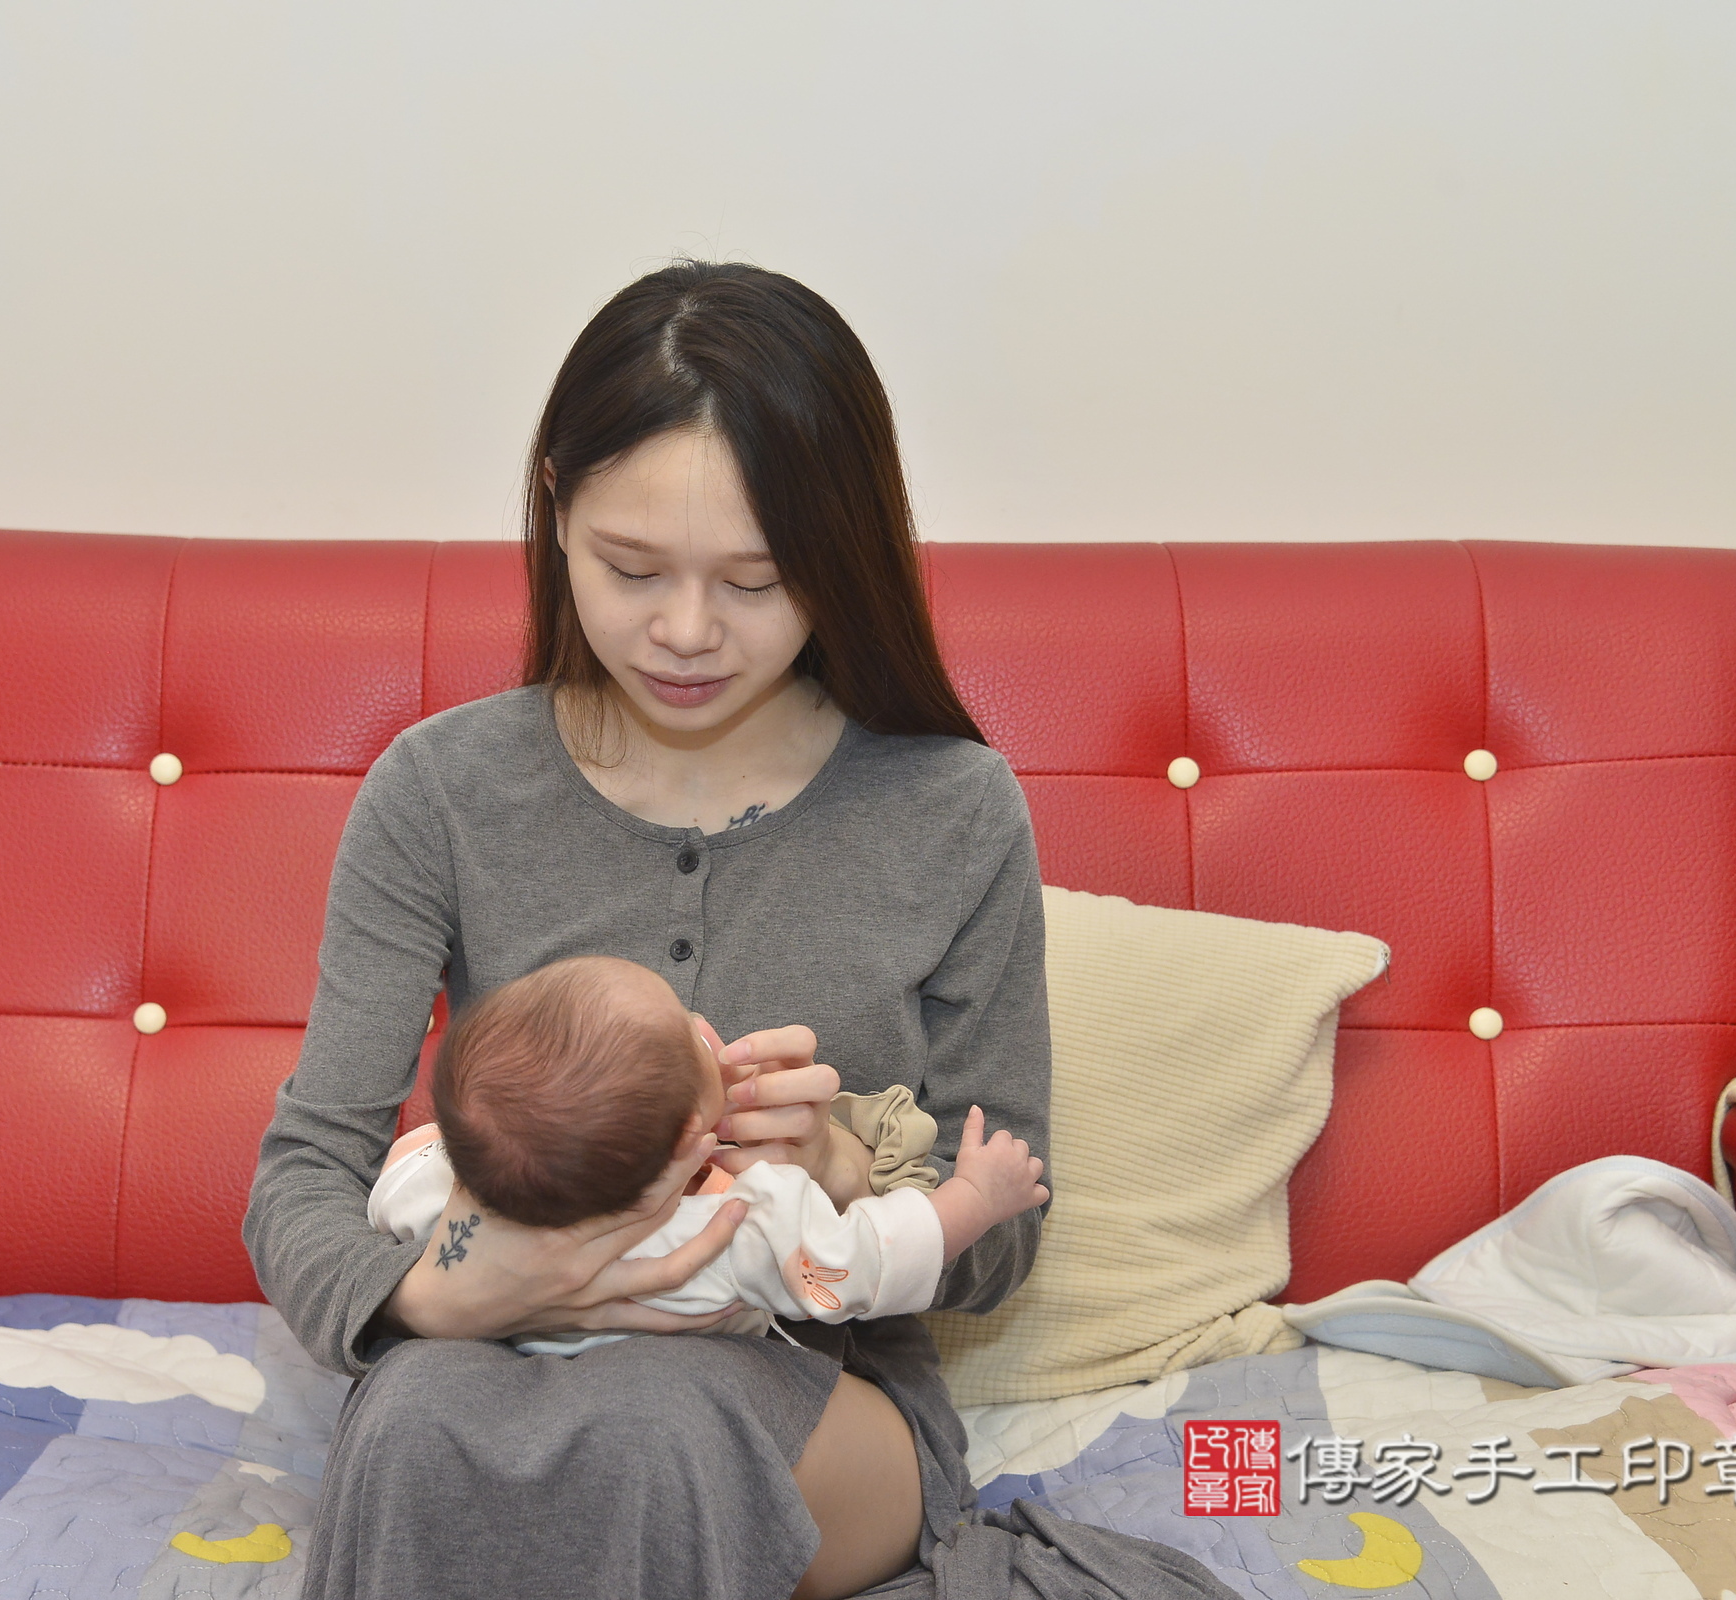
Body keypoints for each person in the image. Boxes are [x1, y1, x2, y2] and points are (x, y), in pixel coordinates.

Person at [245, 261, 1234, 1600]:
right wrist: (440, 1295)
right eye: (631, 568)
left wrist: (841, 1165)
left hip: (824, 1399)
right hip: (485, 1362)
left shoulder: (949, 808)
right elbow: (306, 1174)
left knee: (656, 1421)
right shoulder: (441, 791)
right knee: (413, 1417)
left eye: (757, 581)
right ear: (554, 506)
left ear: (841, 558)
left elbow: (1000, 1236)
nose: (686, 633)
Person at [369, 954, 1052, 1356]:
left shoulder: (445, 1184)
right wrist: (973, 1199)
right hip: (684, 1389)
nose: (700, 1020)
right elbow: (866, 1260)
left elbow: (394, 1190)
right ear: (686, 1140)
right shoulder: (741, 1224)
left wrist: (448, 1166)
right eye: (685, 1029)